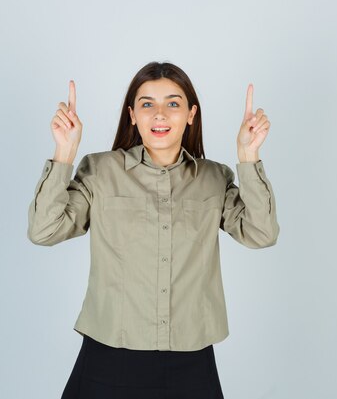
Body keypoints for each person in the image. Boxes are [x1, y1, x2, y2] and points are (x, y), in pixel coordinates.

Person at [27, 61, 280, 399]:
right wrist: (64, 152)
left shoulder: (213, 179)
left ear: (191, 114)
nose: (159, 114)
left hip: (190, 362)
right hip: (109, 357)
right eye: (147, 104)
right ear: (132, 114)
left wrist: (248, 157)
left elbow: (261, 234)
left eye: (173, 103)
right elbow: (44, 230)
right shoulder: (100, 172)